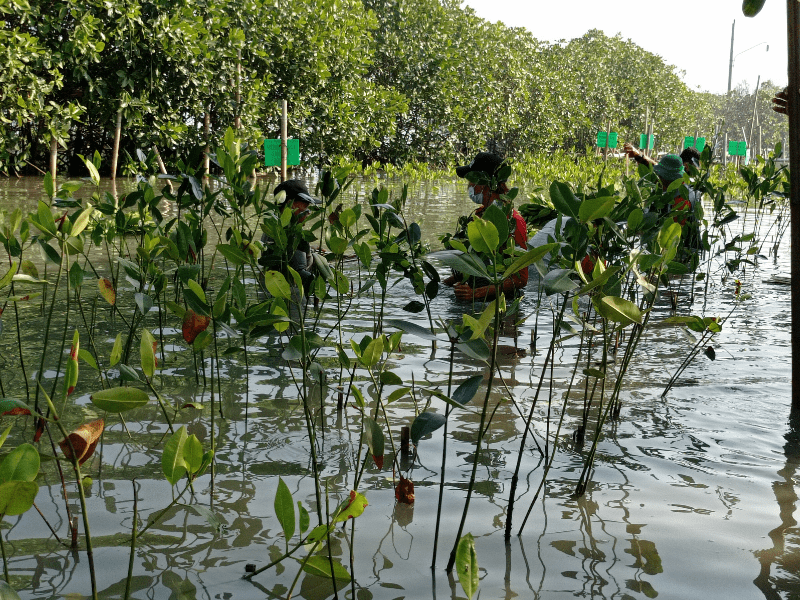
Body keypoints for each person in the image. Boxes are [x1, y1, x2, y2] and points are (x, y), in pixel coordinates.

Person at [443, 151, 529, 300]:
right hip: (474, 299)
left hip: (501, 305)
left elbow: (520, 279)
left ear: (484, 183)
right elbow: (475, 265)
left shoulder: (513, 221)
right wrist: (442, 285)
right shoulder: (478, 215)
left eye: (471, 181)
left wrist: (475, 294)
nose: (469, 186)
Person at [259, 179, 320, 291]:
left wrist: (311, 251)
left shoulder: (272, 227)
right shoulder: (292, 233)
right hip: (292, 298)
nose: (308, 212)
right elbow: (301, 274)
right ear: (290, 205)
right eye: (305, 207)